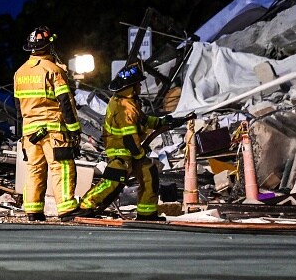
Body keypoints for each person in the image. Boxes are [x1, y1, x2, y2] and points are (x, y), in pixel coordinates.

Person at [69, 62, 175, 221]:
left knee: (149, 173)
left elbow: (144, 121)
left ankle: (147, 213)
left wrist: (162, 122)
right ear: (130, 87)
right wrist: (139, 155)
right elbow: (129, 137)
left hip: (129, 152)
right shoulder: (124, 107)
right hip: (121, 152)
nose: (140, 86)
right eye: (138, 84)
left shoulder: (130, 102)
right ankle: (86, 206)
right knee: (112, 180)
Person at [13, 25, 81, 222]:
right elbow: (66, 103)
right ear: (49, 46)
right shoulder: (53, 70)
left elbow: (18, 109)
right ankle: (67, 209)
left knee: (34, 169)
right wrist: (75, 130)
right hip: (53, 131)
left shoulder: (20, 73)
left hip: (29, 133)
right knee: (62, 167)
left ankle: (33, 210)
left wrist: (21, 134)